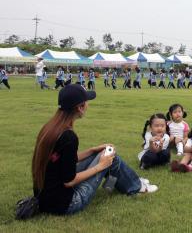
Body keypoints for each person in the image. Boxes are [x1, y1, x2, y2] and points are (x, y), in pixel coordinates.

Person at [31, 85, 157, 216]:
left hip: (45, 198)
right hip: (65, 203)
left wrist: (92, 150)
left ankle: (132, 181)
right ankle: (136, 186)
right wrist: (100, 166)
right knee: (111, 158)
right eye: (86, 102)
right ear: (80, 108)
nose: (87, 105)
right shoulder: (68, 136)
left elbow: (64, 161)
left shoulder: (51, 128)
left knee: (104, 154)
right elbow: (69, 181)